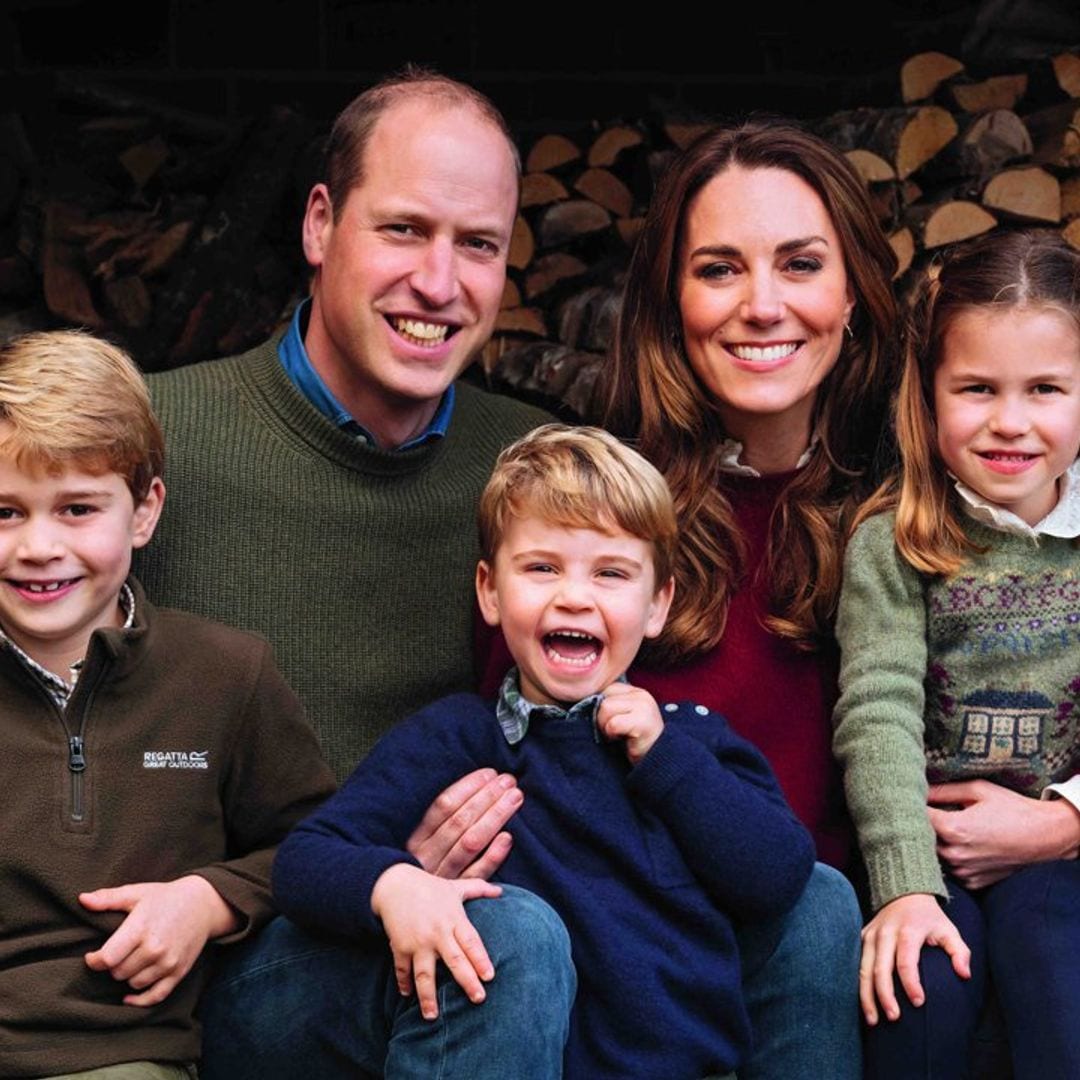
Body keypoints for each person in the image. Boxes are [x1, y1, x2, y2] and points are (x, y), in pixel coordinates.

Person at [272, 424, 816, 1080]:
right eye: (541, 568)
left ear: (657, 605)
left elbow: (781, 877)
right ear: (490, 592)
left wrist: (667, 760)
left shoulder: (689, 741)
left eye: (612, 573)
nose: (574, 596)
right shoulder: (458, 739)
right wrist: (396, 887)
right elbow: (305, 861)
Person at [136, 70, 551, 782]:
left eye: (479, 244)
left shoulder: (544, 474)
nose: (439, 283)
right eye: (404, 229)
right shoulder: (149, 442)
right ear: (319, 224)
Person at [598, 118, 901, 1078]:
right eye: (720, 269)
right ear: (670, 302)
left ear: (853, 294)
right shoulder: (601, 515)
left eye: (800, 265)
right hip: (645, 954)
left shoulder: (925, 507)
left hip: (853, 963)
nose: (762, 306)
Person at [0, 330, 335, 1078]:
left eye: (78, 508)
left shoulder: (223, 675)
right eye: (7, 512)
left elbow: (318, 845)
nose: (38, 546)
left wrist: (209, 898)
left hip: (121, 1056)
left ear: (144, 511)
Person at [833, 230, 1080, 1080]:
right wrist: (903, 883)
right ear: (929, 395)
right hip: (926, 847)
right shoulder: (896, 540)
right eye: (977, 389)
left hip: (1061, 850)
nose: (1010, 421)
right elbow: (878, 708)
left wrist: (1070, 821)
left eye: (1044, 389)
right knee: (918, 990)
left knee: (1057, 971)